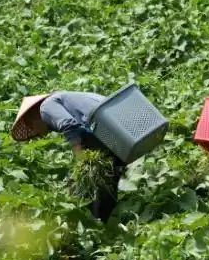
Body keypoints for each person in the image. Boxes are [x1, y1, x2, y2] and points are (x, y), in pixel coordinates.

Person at [10, 91, 125, 223]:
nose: (38, 136)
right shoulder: (62, 100)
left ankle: (87, 220)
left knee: (85, 181)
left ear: (34, 118)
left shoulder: (45, 107)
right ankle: (105, 220)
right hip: (116, 120)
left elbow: (69, 125)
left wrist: (80, 158)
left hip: (103, 124)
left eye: (34, 131)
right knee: (108, 174)